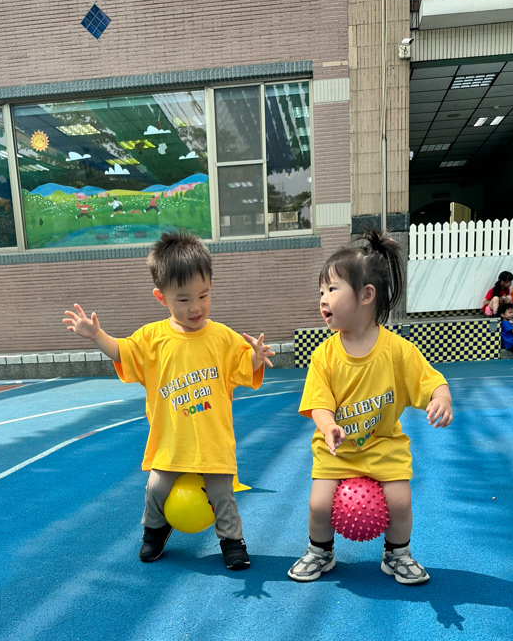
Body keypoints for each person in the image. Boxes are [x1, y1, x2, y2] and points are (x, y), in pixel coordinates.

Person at [63, 231, 273, 569]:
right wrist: (97, 335)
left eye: (203, 295)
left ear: (211, 285)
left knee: (222, 494)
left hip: (212, 443)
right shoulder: (151, 338)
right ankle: (155, 532)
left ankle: (232, 540)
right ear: (162, 298)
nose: (195, 307)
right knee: (155, 490)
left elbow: (241, 367)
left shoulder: (223, 337)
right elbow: (122, 351)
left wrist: (256, 358)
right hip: (171, 444)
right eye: (183, 299)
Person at [288, 230, 453, 586]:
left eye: (332, 289)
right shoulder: (324, 356)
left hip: (383, 446)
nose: (323, 299)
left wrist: (441, 399)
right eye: (321, 292)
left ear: (366, 295)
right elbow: (318, 404)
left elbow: (431, 381)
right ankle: (320, 551)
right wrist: (328, 426)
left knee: (400, 501)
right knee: (319, 504)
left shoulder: (398, 351)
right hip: (337, 448)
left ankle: (397, 554)